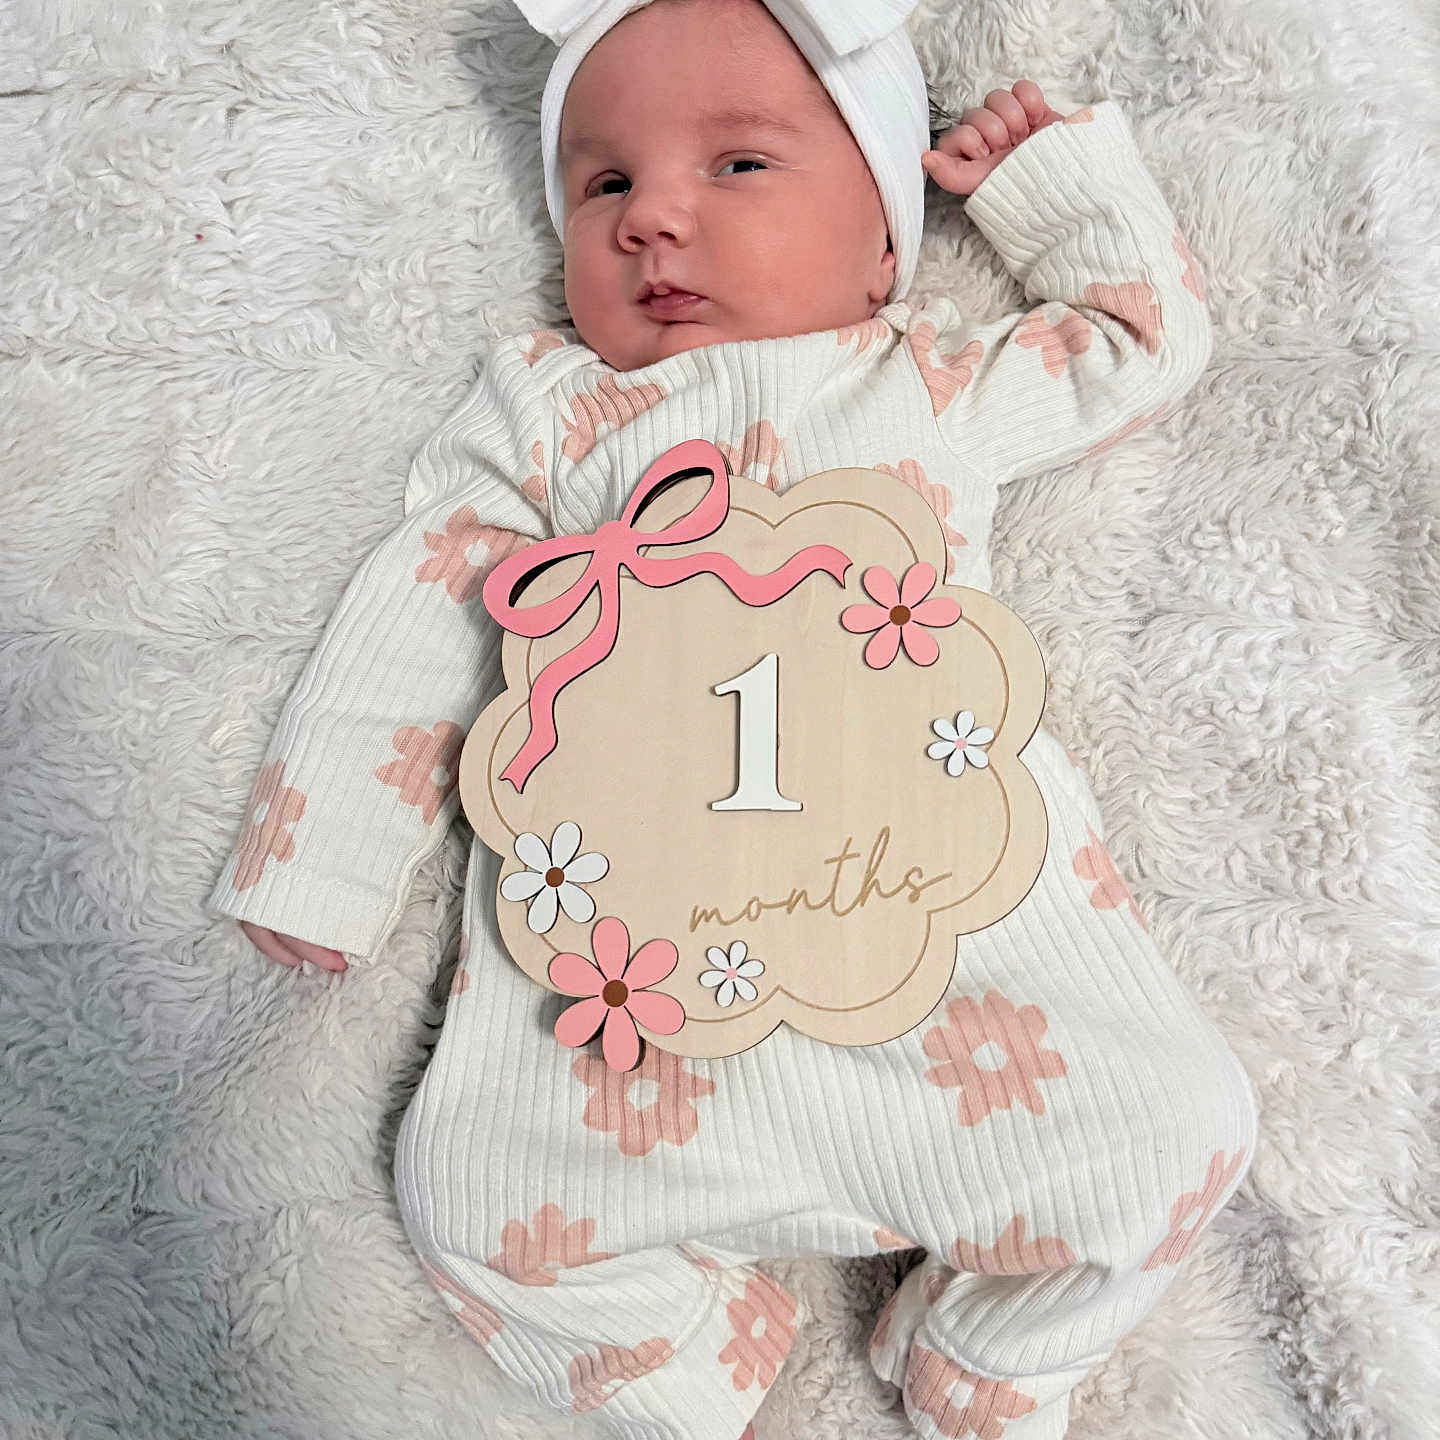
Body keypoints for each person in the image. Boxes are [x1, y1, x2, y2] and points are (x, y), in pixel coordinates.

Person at [209, 1, 1260, 1435]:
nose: (655, 222)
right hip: (622, 1002)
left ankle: (999, 1346)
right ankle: (702, 1364)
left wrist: (1047, 185)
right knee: (470, 1203)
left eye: (740, 168)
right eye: (607, 182)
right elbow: (420, 603)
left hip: (953, 965)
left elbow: (1136, 337)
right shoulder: (552, 416)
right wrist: (319, 854)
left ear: (885, 245)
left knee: (1179, 1132)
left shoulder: (925, 379)